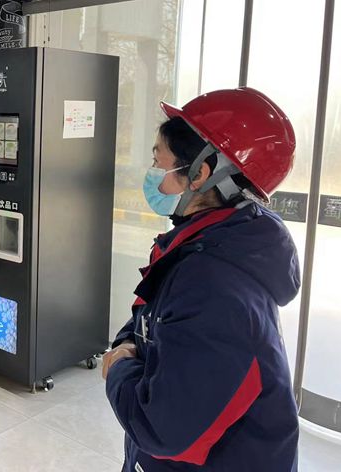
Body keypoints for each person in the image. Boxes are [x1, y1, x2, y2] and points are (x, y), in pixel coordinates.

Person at [103, 87, 300, 471]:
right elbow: (155, 312)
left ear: (201, 173)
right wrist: (127, 341)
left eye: (158, 161)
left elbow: (162, 429)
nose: (152, 174)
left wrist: (118, 367)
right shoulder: (207, 245)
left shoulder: (215, 284)